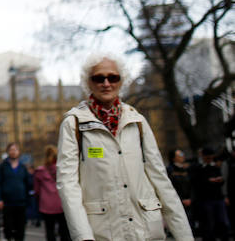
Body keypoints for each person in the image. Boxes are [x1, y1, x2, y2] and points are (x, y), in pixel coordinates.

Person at [57, 51, 192, 240]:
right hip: (103, 233)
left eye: (113, 77)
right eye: (99, 78)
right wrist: (83, 237)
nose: (106, 83)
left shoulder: (137, 121)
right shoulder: (74, 124)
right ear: (88, 82)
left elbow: (161, 180)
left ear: (121, 81)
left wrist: (184, 236)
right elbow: (68, 185)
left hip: (145, 230)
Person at [0, 142, 32, 240]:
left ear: (19, 152)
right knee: (8, 228)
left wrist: (28, 198)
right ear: (8, 152)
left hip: (21, 202)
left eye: (15, 150)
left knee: (20, 228)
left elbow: (29, 184)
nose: (13, 152)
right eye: (11, 150)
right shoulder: (2, 167)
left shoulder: (23, 167)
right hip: (7, 203)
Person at [192, 146, 229, 241]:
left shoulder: (216, 167)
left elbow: (223, 181)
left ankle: (224, 237)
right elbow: (197, 184)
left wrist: (218, 181)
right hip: (206, 200)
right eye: (207, 157)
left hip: (218, 198)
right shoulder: (199, 169)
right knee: (208, 223)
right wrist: (209, 181)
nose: (209, 159)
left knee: (222, 221)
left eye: (211, 157)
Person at [33, 145, 70, 241]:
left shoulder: (40, 171)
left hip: (47, 205)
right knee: (64, 230)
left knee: (50, 230)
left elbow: (36, 190)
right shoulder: (63, 169)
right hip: (62, 204)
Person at [167, 149, 194, 231]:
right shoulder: (169, 170)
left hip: (189, 201)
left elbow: (192, 185)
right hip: (177, 201)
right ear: (174, 158)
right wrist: (181, 199)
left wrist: (190, 198)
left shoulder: (187, 169)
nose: (183, 156)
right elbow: (170, 187)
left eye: (182, 154)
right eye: (180, 155)